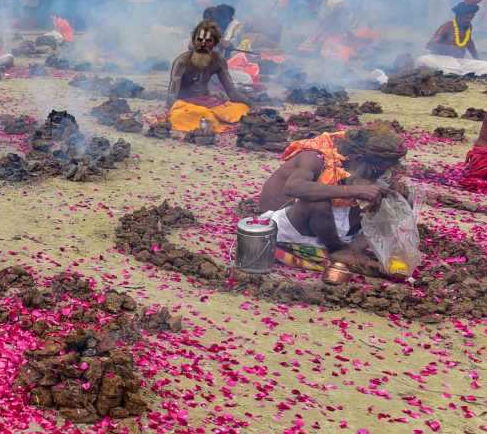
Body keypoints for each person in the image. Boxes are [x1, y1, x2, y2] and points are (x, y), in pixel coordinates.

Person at [255, 124, 409, 275]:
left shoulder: (359, 163)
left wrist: (391, 191)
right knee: (316, 200)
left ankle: (353, 249)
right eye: (379, 169)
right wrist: (354, 190)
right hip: (295, 226)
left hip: (334, 228)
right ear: (358, 158)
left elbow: (371, 187)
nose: (381, 173)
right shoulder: (315, 156)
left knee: (396, 197)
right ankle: (338, 250)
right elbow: (294, 188)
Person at [166, 20, 251, 133]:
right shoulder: (181, 61)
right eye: (199, 40)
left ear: (215, 43)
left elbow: (232, 93)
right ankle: (209, 118)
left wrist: (251, 105)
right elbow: (171, 96)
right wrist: (175, 109)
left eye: (208, 41)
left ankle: (211, 117)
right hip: (186, 104)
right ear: (194, 41)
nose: (203, 44)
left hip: (209, 102)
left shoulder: (218, 61)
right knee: (185, 115)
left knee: (242, 109)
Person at [419, 2, 487, 75]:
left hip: (459, 61)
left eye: (471, 17)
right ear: (459, 16)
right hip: (441, 59)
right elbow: (429, 45)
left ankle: (461, 72)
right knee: (452, 68)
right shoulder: (448, 26)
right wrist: (446, 48)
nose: (469, 20)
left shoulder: (468, 27)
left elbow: (470, 44)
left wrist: (479, 60)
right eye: (466, 17)